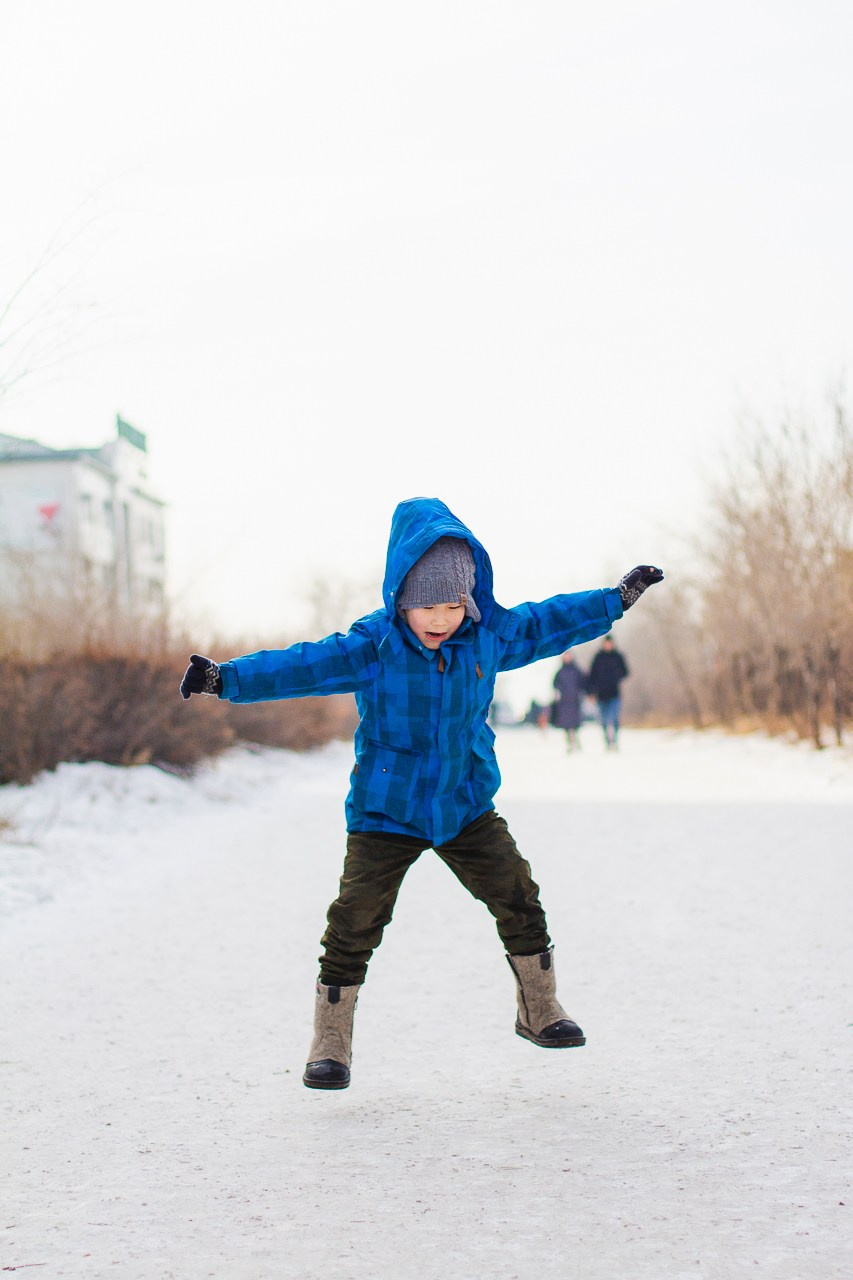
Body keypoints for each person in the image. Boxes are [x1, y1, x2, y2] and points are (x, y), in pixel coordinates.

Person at [180, 498, 663, 1090]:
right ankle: (330, 1041)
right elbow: (301, 667)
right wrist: (225, 679)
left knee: (517, 892)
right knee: (355, 919)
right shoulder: (374, 646)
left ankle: (540, 1009)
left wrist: (614, 601)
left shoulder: (488, 638)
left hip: (464, 803)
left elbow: (547, 622)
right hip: (388, 810)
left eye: (454, 604)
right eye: (427, 605)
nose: (441, 619)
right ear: (401, 599)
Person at [588, 634, 630, 749]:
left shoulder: (618, 656)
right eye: (606, 643)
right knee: (604, 720)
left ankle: (615, 740)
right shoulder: (598, 657)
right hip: (601, 695)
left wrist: (617, 675)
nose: (608, 645)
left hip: (614, 693)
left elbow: (626, 672)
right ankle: (607, 741)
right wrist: (591, 693)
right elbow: (592, 676)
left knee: (615, 718)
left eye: (609, 643)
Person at [551, 650, 587, 751]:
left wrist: (583, 693)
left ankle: (576, 741)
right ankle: (569, 745)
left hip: (575, 700)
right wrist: (557, 693)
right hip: (564, 701)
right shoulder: (560, 672)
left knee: (575, 724)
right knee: (566, 724)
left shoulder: (577, 670)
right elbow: (555, 684)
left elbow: (583, 683)